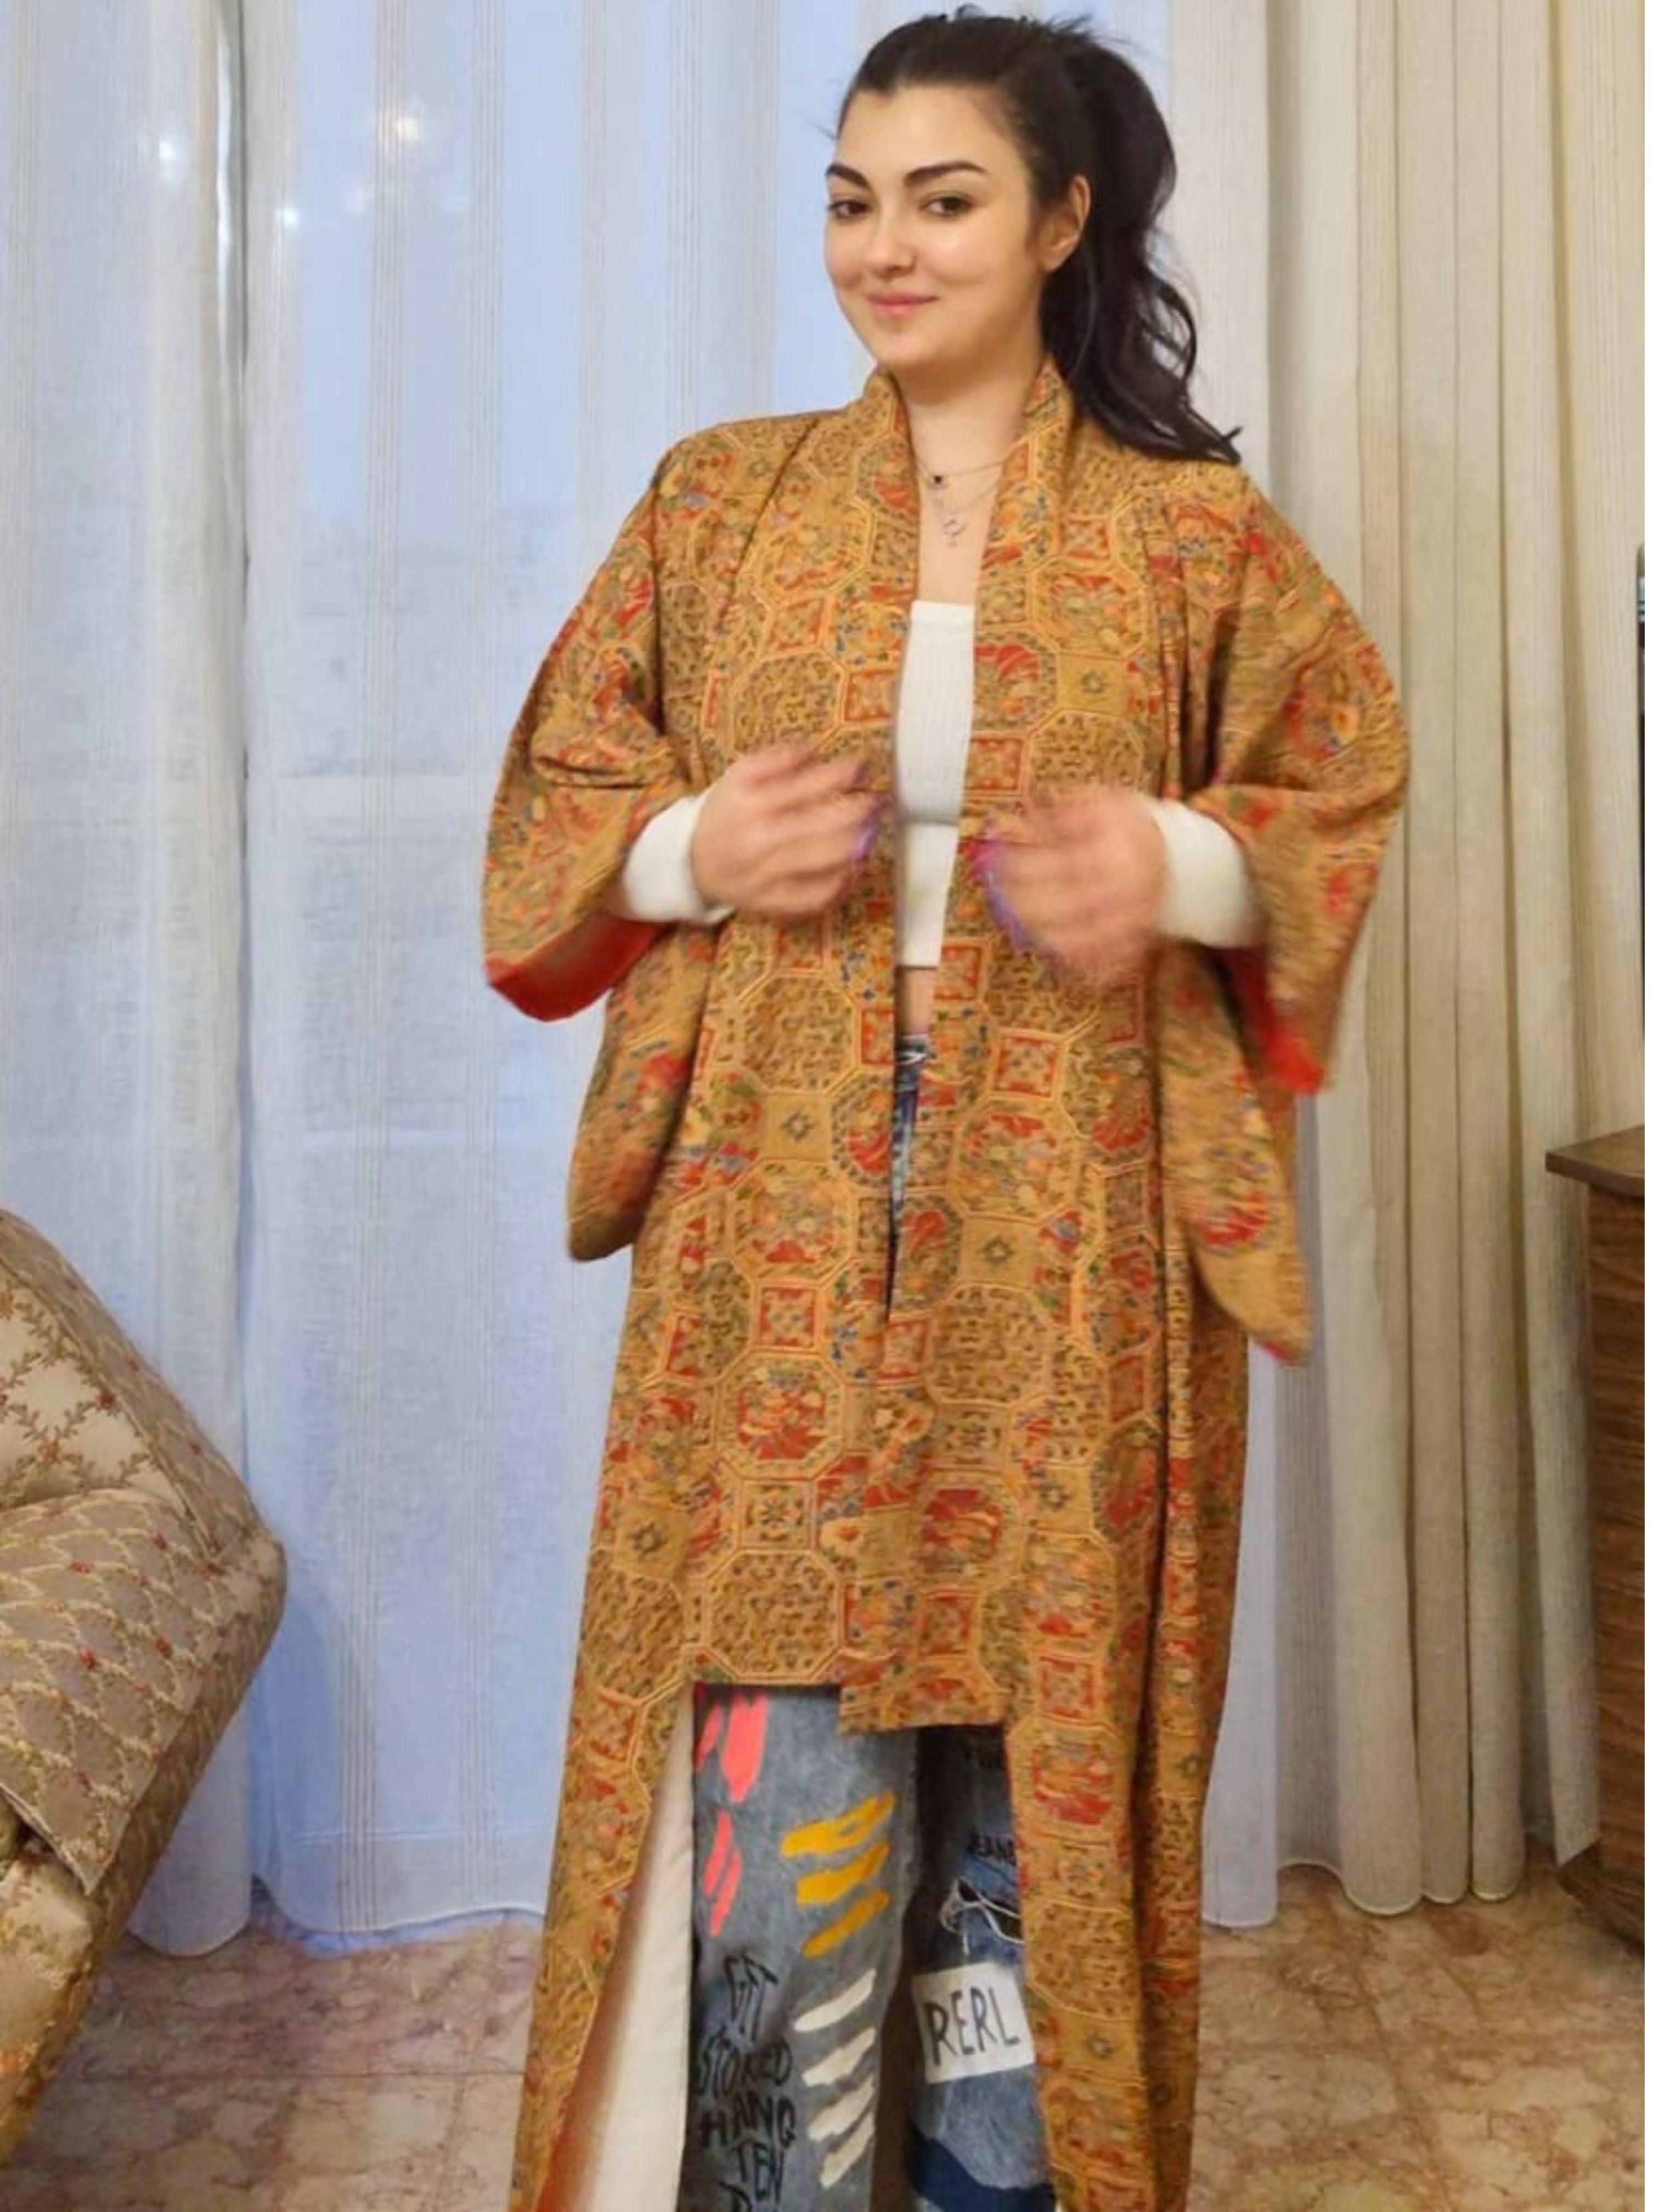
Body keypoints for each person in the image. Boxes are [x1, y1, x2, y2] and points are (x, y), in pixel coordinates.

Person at [482, 11, 1407, 2210]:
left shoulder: (1195, 537)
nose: (883, 247)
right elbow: (558, 802)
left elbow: (1334, 777)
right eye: (849, 196)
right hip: (773, 1230)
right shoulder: (717, 497)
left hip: (1066, 1238)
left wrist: (1177, 868)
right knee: (773, 1820)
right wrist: (701, 850)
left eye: (944, 197)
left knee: (1028, 1813)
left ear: (1066, 221)